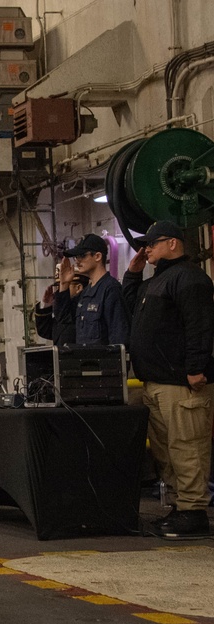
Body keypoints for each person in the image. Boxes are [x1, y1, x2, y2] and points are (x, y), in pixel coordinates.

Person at [123, 220, 214, 538]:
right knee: (165, 451)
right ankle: (180, 507)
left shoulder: (190, 279)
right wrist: (133, 275)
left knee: (187, 448)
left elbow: (200, 326)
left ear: (173, 243)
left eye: (152, 244)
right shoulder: (155, 282)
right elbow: (130, 309)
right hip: (156, 382)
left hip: (181, 382)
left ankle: (194, 511)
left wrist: (196, 367)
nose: (145, 249)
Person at [62, 233, 130, 346]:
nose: (77, 261)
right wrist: (64, 284)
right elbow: (64, 318)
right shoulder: (86, 293)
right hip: (85, 360)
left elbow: (119, 336)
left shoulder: (110, 289)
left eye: (82, 255)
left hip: (103, 361)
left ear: (98, 256)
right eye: (76, 257)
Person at [34, 265, 88, 345]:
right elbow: (45, 331)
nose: (59, 291)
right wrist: (46, 305)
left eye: (64, 285)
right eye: (59, 286)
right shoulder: (63, 311)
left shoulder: (82, 309)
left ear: (78, 288)